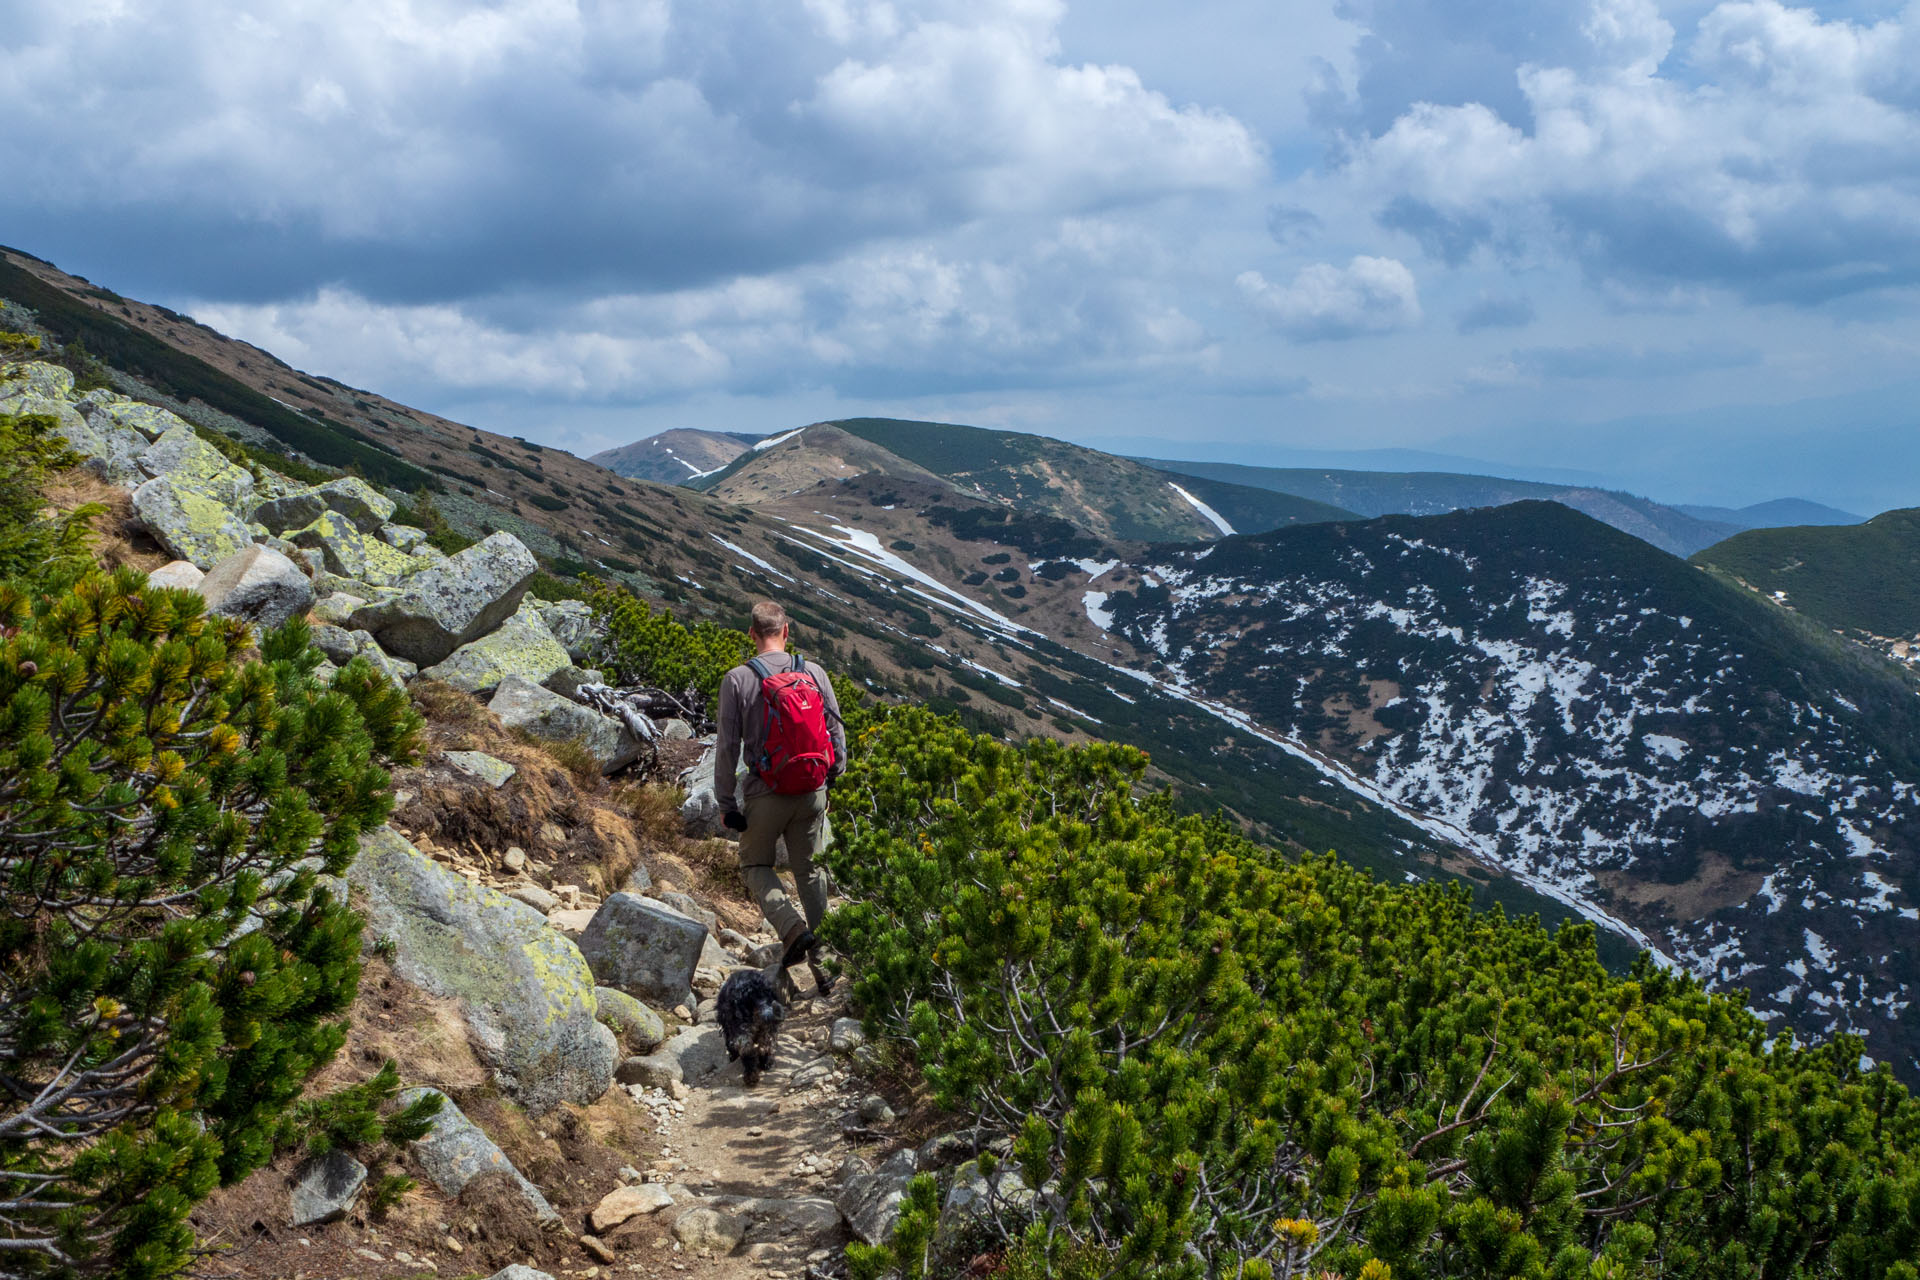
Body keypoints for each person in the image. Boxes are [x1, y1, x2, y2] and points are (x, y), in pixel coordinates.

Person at [714, 601, 847, 993]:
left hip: (765, 793)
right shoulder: (814, 673)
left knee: (755, 865)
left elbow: (727, 747)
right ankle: (827, 965)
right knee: (809, 871)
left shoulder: (737, 679)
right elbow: (836, 734)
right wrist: (831, 776)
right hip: (811, 790)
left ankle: (791, 930)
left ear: (751, 633)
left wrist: (726, 804)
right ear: (786, 631)